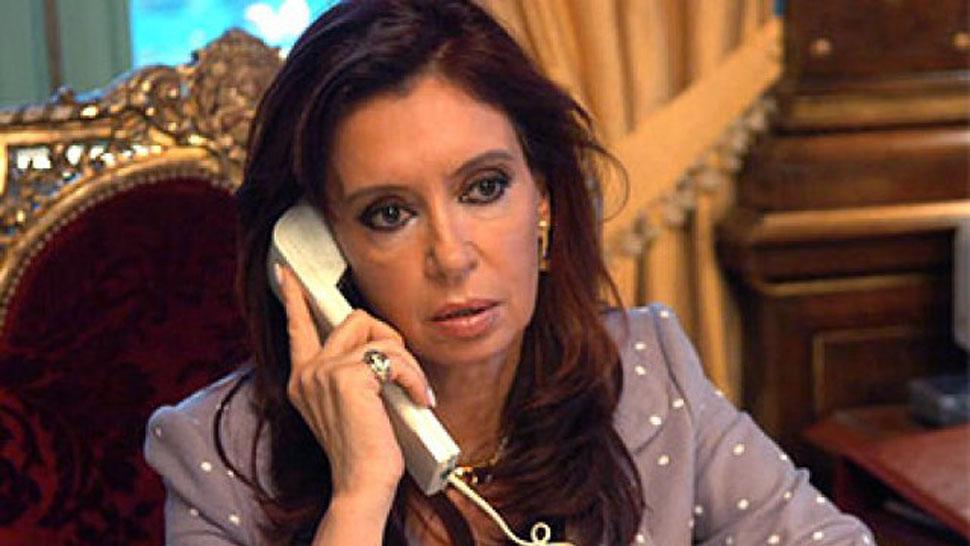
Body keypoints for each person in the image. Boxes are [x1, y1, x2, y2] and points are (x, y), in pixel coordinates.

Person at [144, 1, 878, 544]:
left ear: (544, 203)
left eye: (484, 188)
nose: (453, 255)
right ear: (316, 252)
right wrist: (360, 493)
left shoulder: (647, 372)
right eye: (389, 213)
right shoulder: (217, 454)